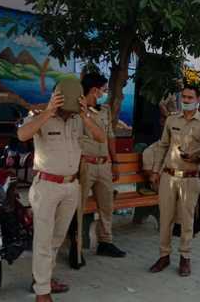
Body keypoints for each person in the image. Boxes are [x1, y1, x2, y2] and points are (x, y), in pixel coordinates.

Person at [17, 79, 106, 302]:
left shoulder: (78, 118)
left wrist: (85, 115)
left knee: (56, 239)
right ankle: (42, 292)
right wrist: (48, 112)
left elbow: (101, 137)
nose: (68, 113)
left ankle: (44, 279)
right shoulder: (40, 116)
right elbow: (22, 135)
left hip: (71, 187)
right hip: (46, 186)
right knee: (43, 240)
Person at [148, 85, 200, 277]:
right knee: (165, 218)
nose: (186, 100)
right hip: (168, 175)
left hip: (190, 178)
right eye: (184, 97)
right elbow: (163, 145)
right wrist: (155, 171)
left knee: (187, 220)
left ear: (198, 100)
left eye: (190, 97)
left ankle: (185, 257)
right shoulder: (172, 119)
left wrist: (199, 159)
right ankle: (164, 255)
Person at [68, 73, 125, 270]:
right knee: (78, 207)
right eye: (103, 89)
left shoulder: (105, 110)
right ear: (94, 90)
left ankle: (105, 242)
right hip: (84, 165)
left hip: (104, 165)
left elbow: (110, 136)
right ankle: (75, 248)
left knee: (107, 206)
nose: (104, 93)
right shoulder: (76, 109)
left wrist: (115, 162)